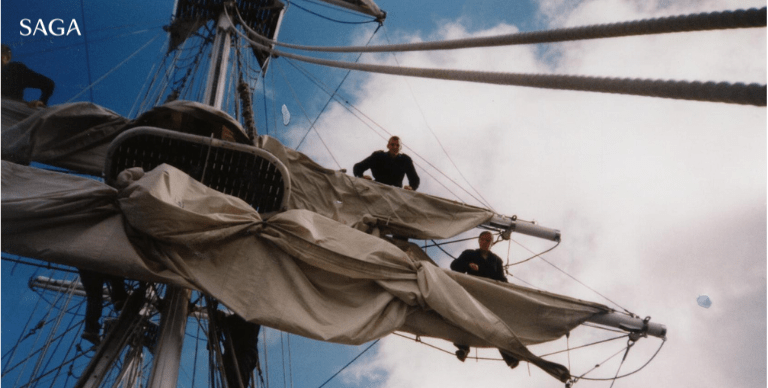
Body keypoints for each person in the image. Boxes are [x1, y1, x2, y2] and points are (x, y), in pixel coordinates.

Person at [449, 231, 520, 369]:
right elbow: (454, 266)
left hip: (490, 296)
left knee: (496, 324)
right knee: (465, 318)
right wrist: (468, 265)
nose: (485, 242)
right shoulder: (469, 254)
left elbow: (501, 279)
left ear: (492, 243)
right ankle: (463, 348)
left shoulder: (497, 260)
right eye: (483, 239)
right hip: (472, 293)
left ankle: (509, 356)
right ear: (479, 240)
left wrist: (510, 289)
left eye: (488, 240)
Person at [78, 269, 128, 346]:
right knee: (116, 272)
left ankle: (90, 330)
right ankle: (119, 299)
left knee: (94, 297)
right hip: (105, 265)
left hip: (86, 268)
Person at [353, 136, 420, 191]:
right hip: (376, 189)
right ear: (388, 146)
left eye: (397, 145)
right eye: (392, 144)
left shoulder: (405, 160)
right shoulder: (378, 156)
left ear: (400, 147)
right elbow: (357, 167)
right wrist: (362, 177)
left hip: (395, 193)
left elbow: (415, 179)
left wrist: (412, 188)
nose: (395, 147)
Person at [1, 43, 55, 108]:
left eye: (2, 57)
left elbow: (48, 84)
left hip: (11, 112)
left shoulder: (15, 70)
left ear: (6, 58)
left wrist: (42, 103)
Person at [221, 313, 261, 388]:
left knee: (237, 378)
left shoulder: (252, 316)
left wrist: (222, 320)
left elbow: (240, 323)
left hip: (244, 353)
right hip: (237, 354)